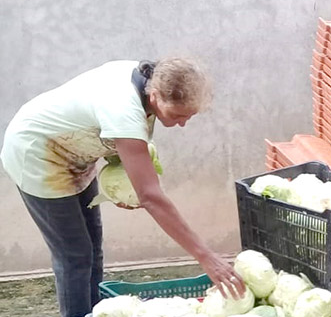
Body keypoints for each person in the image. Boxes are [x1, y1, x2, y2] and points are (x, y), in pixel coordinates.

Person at [1, 58, 245, 317]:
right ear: (155, 96)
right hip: (38, 154)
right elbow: (151, 197)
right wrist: (206, 257)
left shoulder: (148, 77)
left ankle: (94, 312)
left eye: (189, 116)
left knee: (92, 248)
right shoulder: (124, 108)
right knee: (75, 254)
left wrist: (119, 186)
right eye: (177, 115)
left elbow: (106, 133)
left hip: (74, 154)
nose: (182, 123)